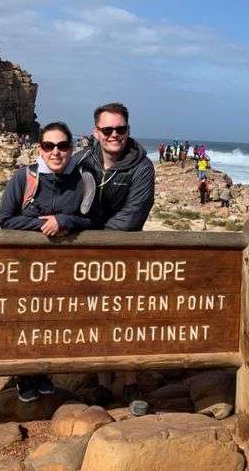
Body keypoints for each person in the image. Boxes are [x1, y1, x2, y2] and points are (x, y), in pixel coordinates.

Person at [0, 121, 95, 403]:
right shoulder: (23, 177)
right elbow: (5, 219)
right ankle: (24, 374)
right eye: (49, 146)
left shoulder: (83, 180)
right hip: (25, 266)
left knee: (51, 319)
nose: (56, 152)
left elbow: (92, 219)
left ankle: (43, 371)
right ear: (40, 149)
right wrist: (45, 224)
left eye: (63, 146)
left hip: (62, 268)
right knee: (25, 318)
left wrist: (64, 220)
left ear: (71, 148)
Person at [76, 102, 155, 416]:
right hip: (89, 252)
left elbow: (133, 215)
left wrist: (98, 239)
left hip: (124, 252)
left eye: (119, 129)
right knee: (96, 314)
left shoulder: (142, 167)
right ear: (96, 132)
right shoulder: (82, 162)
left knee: (126, 315)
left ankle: (131, 379)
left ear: (128, 131)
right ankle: (103, 381)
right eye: (107, 129)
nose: (114, 135)